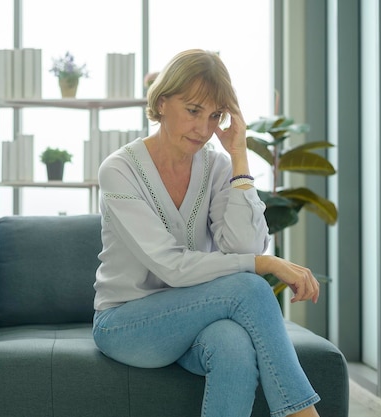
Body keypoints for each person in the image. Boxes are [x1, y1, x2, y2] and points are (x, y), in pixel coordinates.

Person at [92, 49, 321, 417]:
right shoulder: (119, 169)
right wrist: (265, 263)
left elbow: (242, 246)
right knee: (250, 286)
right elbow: (172, 267)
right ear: (163, 103)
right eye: (193, 110)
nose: (203, 128)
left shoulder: (216, 165)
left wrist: (240, 156)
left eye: (215, 115)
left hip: (196, 319)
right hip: (127, 324)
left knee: (233, 345)